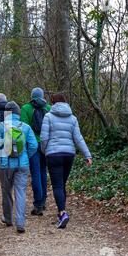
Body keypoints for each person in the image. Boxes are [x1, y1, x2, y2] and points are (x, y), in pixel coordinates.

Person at [40, 93, 92, 229]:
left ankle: (63, 213)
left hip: (53, 154)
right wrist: (87, 155)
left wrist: (45, 151)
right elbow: (78, 138)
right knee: (61, 184)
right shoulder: (73, 118)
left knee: (57, 185)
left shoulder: (48, 117)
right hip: (69, 154)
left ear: (53, 103)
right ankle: (60, 212)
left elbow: (44, 138)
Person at [0, 102, 37, 234]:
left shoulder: (0, 126)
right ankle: (20, 223)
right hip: (22, 165)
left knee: (6, 191)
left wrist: (1, 157)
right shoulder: (26, 127)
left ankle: (8, 218)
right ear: (18, 113)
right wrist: (25, 156)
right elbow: (34, 145)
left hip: (5, 165)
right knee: (20, 192)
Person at [21, 87, 52, 216]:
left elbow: (23, 129)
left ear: (32, 96)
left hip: (33, 145)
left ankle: (38, 204)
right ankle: (43, 201)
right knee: (43, 172)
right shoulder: (49, 108)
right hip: (46, 144)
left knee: (35, 173)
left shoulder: (26, 108)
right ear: (42, 96)